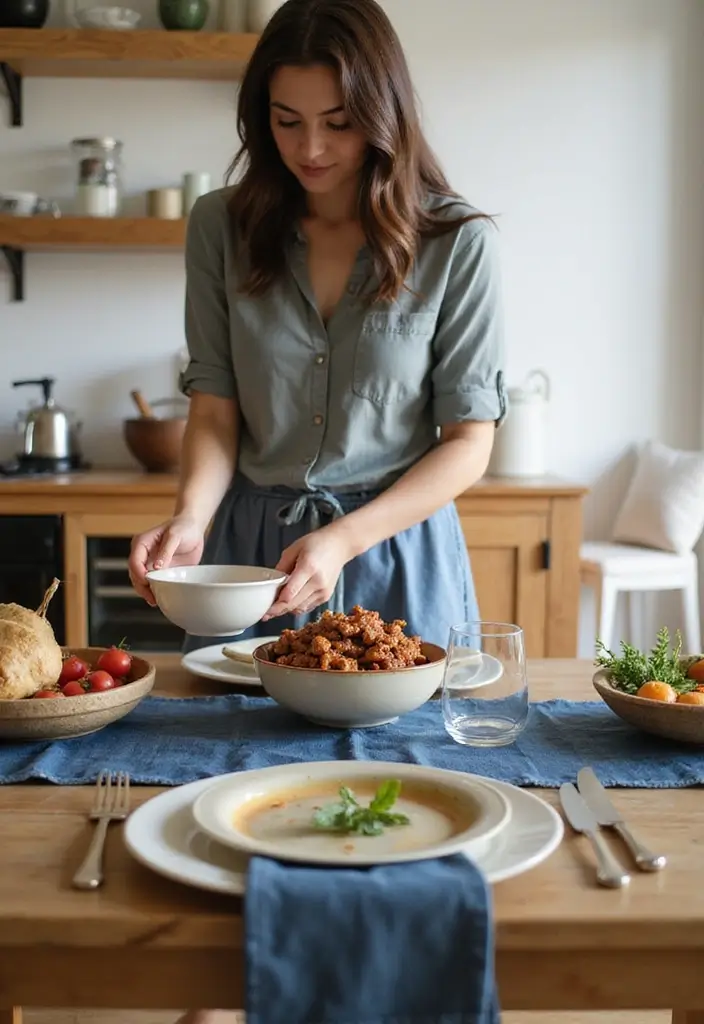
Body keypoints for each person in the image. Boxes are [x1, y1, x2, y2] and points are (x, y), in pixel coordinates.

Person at [128, 0, 507, 660]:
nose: (310, 148)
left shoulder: (456, 242)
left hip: (394, 552)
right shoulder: (221, 227)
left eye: (339, 123)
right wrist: (190, 517)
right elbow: (214, 409)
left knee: (404, 728)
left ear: (384, 115)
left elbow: (470, 442)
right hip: (251, 559)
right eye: (287, 121)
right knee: (229, 724)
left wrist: (344, 539)